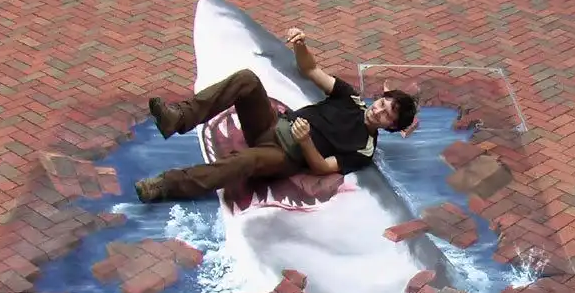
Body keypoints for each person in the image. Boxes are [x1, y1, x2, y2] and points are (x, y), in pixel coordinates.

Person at [134, 27, 418, 203]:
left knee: (244, 160)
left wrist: (305, 141)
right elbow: (311, 70)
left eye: (387, 115)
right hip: (273, 125)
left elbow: (322, 167)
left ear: (391, 127)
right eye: (382, 103)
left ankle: (164, 185)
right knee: (247, 79)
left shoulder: (365, 149)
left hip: (286, 156)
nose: (379, 110)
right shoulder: (350, 97)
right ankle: (177, 118)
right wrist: (301, 45)